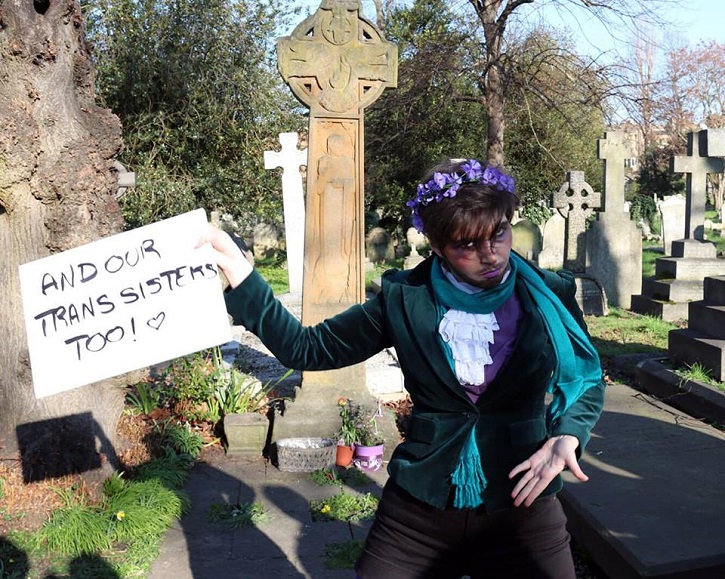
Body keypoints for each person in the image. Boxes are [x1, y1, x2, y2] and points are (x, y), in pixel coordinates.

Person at [200, 158, 605, 579]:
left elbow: (587, 379)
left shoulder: (551, 294)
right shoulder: (402, 299)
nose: (490, 254)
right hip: (420, 510)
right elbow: (307, 349)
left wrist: (568, 434)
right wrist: (242, 274)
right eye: (467, 244)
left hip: (523, 500)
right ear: (437, 246)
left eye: (499, 233)